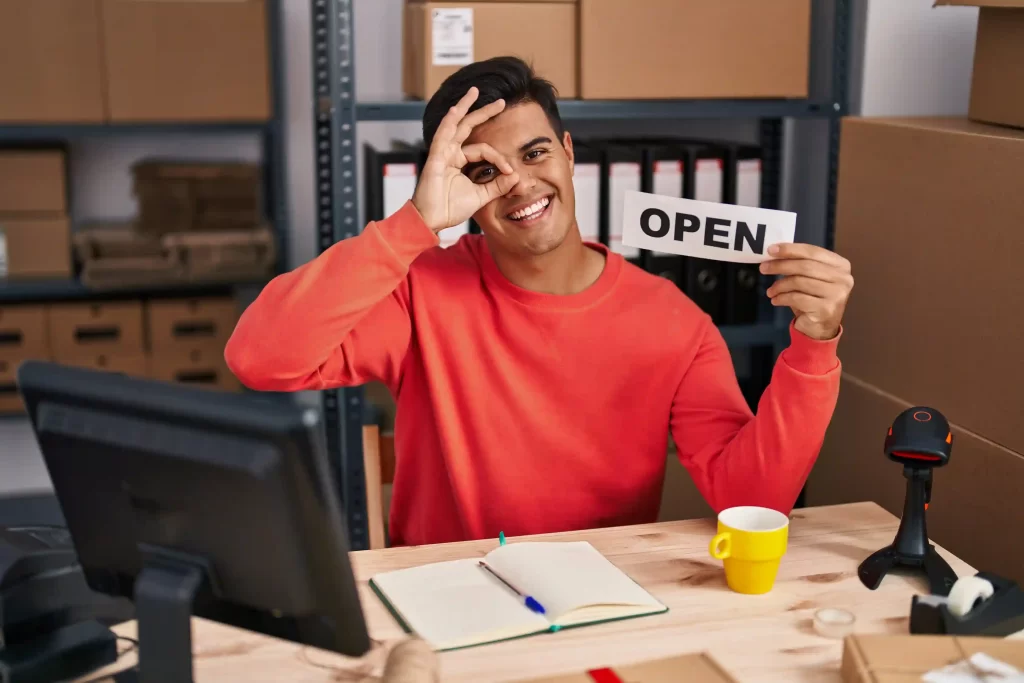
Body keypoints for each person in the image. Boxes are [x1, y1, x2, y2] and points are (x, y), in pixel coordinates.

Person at [224, 56, 853, 547]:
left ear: (570, 152)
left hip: (599, 603)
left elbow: (754, 501)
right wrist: (414, 223)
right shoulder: (419, 292)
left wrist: (814, 348)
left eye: (535, 153)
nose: (520, 184)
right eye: (484, 171)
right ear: (456, 185)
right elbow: (260, 358)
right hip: (446, 600)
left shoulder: (674, 323)